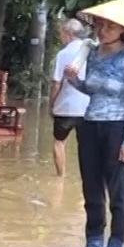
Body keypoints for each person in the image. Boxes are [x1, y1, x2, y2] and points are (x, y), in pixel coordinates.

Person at [63, 0, 124, 247]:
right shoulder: (94, 54)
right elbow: (93, 89)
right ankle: (94, 241)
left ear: (123, 30)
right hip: (90, 124)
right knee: (91, 186)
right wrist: (74, 81)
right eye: (100, 25)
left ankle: (117, 244)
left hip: (118, 128)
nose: (103, 30)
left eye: (110, 26)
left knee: (119, 190)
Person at [48, 18, 92, 178]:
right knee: (86, 146)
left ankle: (60, 177)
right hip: (87, 107)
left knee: (59, 143)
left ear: (68, 34)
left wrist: (51, 105)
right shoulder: (91, 51)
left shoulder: (63, 54)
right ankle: (87, 177)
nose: (61, 37)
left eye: (61, 34)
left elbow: (56, 83)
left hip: (65, 108)